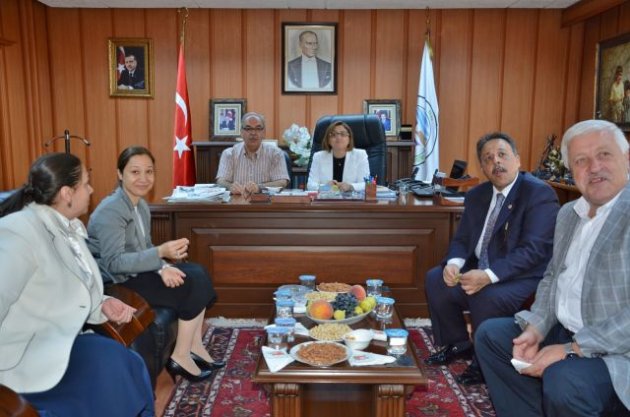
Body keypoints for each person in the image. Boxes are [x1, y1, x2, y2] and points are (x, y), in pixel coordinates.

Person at [475, 120, 630, 417]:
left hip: (617, 351)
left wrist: (573, 350)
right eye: (581, 160)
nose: (594, 167)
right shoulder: (569, 214)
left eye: (604, 154)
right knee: (491, 337)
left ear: (627, 158)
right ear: (571, 170)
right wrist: (536, 327)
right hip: (565, 331)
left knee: (564, 380)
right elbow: (552, 277)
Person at [0, 153, 154, 416]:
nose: (91, 190)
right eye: (85, 183)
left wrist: (102, 304)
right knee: (111, 367)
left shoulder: (66, 226)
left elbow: (69, 287)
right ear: (67, 193)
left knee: (126, 362)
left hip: (58, 342)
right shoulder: (19, 233)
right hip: (26, 359)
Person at [424, 132, 560, 385]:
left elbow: (533, 251)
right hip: (483, 266)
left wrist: (488, 276)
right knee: (436, 279)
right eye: (488, 158)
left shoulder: (538, 194)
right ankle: (459, 344)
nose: (496, 161)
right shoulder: (477, 195)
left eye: (502, 155)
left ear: (517, 160)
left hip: (524, 275)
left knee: (485, 295)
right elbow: (463, 238)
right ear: (483, 168)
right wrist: (453, 264)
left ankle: (482, 361)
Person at [87, 146, 222, 383]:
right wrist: (160, 254)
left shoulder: (139, 205)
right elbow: (115, 263)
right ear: (120, 174)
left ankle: (194, 347)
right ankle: (180, 356)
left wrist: (163, 267)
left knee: (198, 272)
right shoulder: (111, 210)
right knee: (191, 283)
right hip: (117, 282)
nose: (143, 178)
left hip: (135, 271)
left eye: (149, 172)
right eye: (135, 172)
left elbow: (145, 247)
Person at [216, 112, 290, 195]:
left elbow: (282, 182)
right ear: (241, 132)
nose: (253, 133)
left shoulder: (276, 154)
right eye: (248, 129)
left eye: (258, 128)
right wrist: (231, 187)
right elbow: (221, 181)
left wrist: (259, 188)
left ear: (264, 133)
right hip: (237, 200)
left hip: (266, 201)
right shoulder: (229, 154)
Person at [307, 120, 370, 192]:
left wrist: (350, 186)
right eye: (333, 134)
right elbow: (310, 185)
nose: (338, 137)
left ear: (349, 138)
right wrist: (325, 187)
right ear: (328, 140)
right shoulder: (318, 157)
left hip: (352, 198)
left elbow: (366, 184)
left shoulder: (360, 155)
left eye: (343, 134)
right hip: (326, 198)